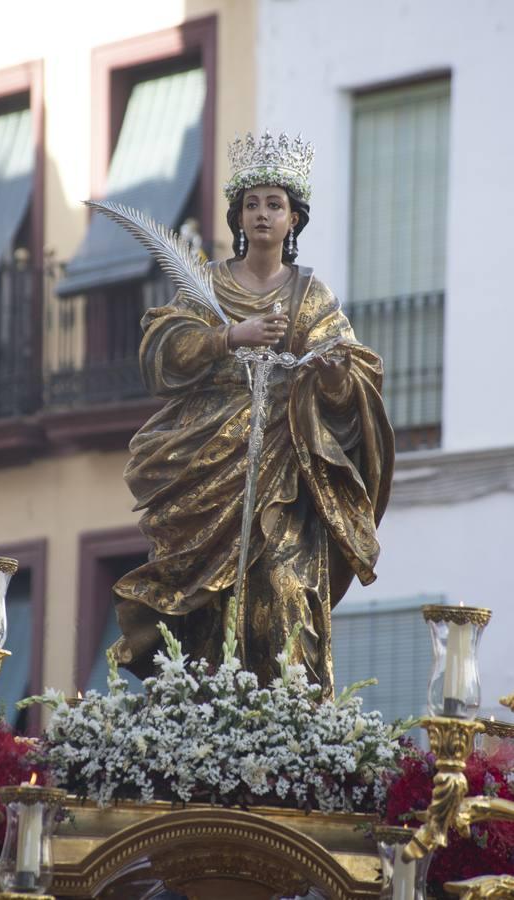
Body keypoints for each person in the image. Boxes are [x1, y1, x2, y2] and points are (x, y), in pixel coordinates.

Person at [112, 131, 394, 698]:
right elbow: (161, 349)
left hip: (286, 468)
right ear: (239, 215)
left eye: (275, 203)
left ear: (294, 219)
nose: (263, 214)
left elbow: (353, 372)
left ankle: (291, 719)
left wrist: (335, 375)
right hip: (208, 464)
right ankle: (208, 713)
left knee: (284, 590)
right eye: (252, 203)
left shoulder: (311, 293)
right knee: (210, 604)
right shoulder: (210, 284)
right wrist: (227, 338)